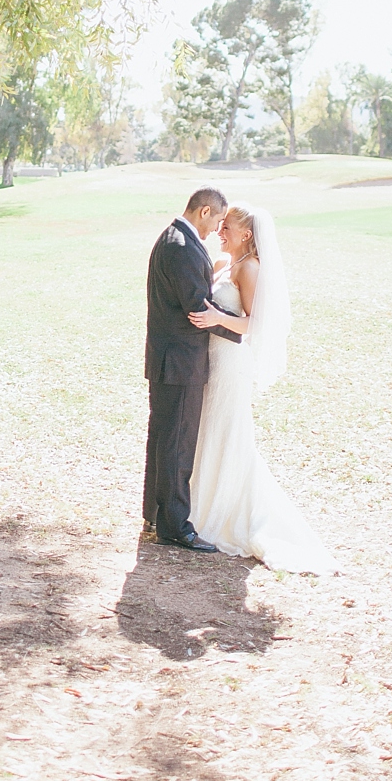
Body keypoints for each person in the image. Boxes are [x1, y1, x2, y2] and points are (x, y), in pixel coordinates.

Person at [187, 205, 339, 574]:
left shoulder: (249, 268)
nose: (220, 231)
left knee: (229, 431)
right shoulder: (224, 263)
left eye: (227, 227)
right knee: (207, 430)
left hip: (231, 363)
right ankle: (196, 503)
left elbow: (255, 323)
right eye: (219, 226)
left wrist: (218, 319)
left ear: (247, 234)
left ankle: (224, 511)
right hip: (210, 361)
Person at [143, 188, 243, 551]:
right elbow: (197, 309)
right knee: (176, 444)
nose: (218, 228)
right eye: (217, 220)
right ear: (204, 212)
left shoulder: (174, 237)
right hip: (180, 362)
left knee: (164, 439)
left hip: (170, 358)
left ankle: (155, 516)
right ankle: (175, 528)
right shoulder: (181, 247)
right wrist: (241, 327)